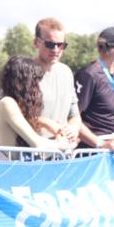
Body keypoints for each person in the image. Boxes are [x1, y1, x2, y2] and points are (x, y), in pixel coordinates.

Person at [0, 56, 72, 153]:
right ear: (24, 83)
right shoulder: (7, 103)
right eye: (35, 82)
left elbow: (22, 120)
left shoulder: (13, 105)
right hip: (14, 167)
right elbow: (38, 144)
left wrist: (45, 122)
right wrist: (62, 143)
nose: (38, 87)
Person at [33, 17, 81, 147]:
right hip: (31, 154)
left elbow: (75, 116)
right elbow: (13, 116)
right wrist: (46, 123)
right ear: (36, 42)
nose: (55, 49)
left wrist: (73, 129)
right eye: (50, 44)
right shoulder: (23, 72)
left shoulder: (66, 72)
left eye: (61, 45)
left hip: (62, 153)